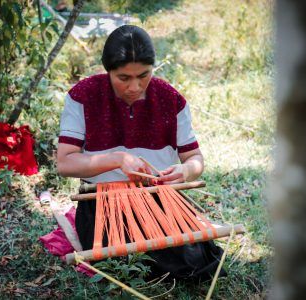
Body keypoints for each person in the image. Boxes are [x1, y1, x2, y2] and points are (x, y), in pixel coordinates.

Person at [56, 25, 225, 280]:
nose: (134, 86)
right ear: (108, 70)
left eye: (143, 75)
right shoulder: (84, 96)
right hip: (104, 202)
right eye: (123, 78)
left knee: (193, 262)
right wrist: (117, 159)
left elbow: (195, 159)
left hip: (157, 197)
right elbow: (65, 163)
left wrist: (185, 170)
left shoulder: (170, 99)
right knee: (124, 261)